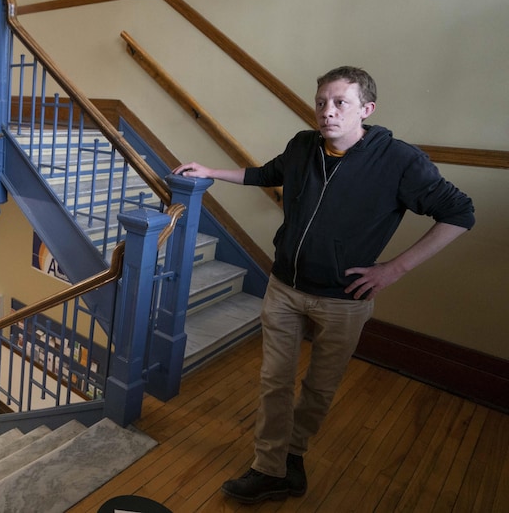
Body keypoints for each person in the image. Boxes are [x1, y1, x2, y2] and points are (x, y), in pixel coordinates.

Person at [172, 66, 474, 504]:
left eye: (339, 103)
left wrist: (393, 269)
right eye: (321, 103)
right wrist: (210, 170)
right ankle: (270, 467)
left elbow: (460, 214)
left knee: (319, 387)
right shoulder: (302, 146)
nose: (326, 112)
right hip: (284, 288)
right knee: (274, 381)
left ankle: (293, 454)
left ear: (366, 109)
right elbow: (266, 174)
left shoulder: (400, 161)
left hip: (343, 300)